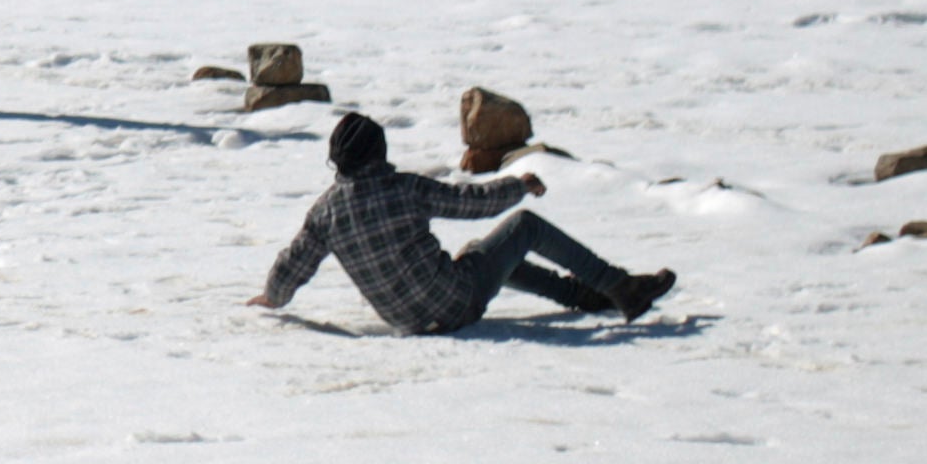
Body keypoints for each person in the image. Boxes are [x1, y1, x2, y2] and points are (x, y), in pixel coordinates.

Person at [249, 111, 676, 330]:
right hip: (454, 304)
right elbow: (474, 203)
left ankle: (586, 296)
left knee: (480, 254)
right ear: (378, 152)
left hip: (409, 321)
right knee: (524, 226)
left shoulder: (325, 214)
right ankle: (622, 287)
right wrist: (520, 184)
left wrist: (271, 297)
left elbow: (294, 264)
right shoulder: (404, 188)